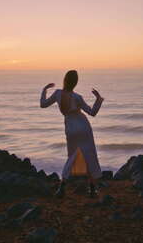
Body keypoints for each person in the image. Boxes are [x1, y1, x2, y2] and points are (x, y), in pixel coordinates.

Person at [40, 70, 104, 198]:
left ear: (65, 79)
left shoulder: (57, 94)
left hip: (70, 128)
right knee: (89, 156)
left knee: (71, 157)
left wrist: (44, 90)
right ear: (75, 82)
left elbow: (43, 104)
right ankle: (92, 190)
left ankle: (61, 187)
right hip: (83, 127)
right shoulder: (77, 97)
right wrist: (98, 99)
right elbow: (92, 112)